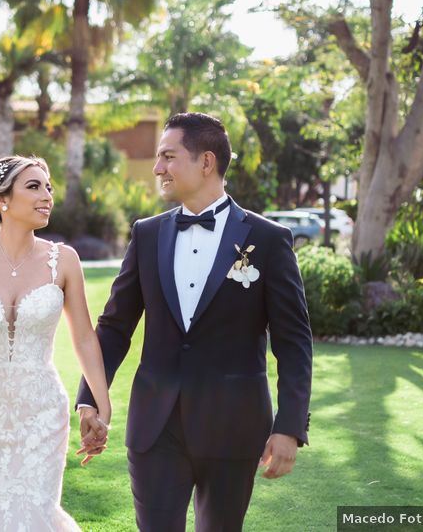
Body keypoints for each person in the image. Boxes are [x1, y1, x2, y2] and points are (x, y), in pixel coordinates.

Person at [75, 112, 313, 531]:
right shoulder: (146, 235)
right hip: (155, 428)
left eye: (168, 156)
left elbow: (293, 344)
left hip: (234, 427)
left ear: (206, 162)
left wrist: (290, 427)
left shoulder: (270, 240)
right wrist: (90, 398)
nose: (157, 168)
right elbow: (114, 327)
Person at [0, 155, 112, 531]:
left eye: (48, 187)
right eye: (33, 187)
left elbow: (83, 336)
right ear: (2, 200)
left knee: (32, 513)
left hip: (41, 412)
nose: (46, 195)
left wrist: (102, 405)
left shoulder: (64, 260)